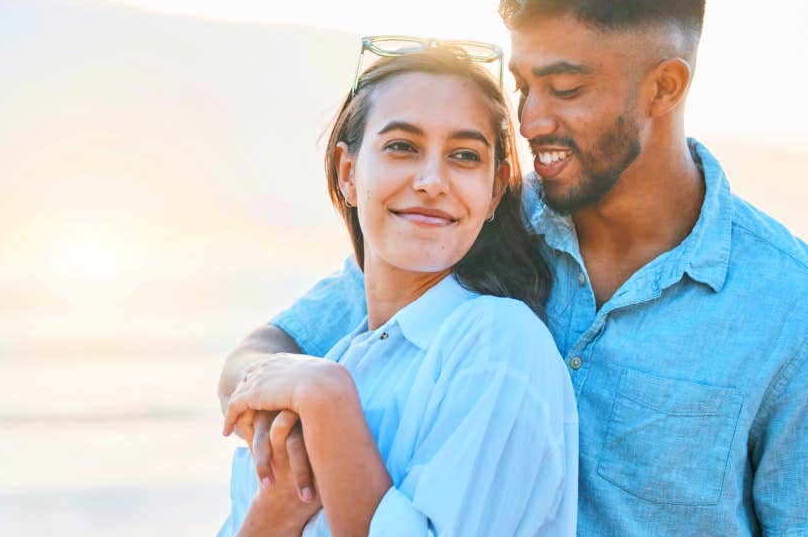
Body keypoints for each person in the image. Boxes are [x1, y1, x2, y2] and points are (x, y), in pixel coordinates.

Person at [218, 0, 808, 535]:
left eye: (565, 87)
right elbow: (273, 352)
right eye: (523, 86)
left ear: (665, 86)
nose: (532, 119)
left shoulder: (804, 318)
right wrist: (286, 433)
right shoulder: (476, 224)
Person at [217, 46, 579, 536]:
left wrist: (329, 401)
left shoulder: (499, 344)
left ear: (494, 192)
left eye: (464, 156)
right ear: (348, 174)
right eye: (402, 147)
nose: (432, 181)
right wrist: (275, 512)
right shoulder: (337, 357)